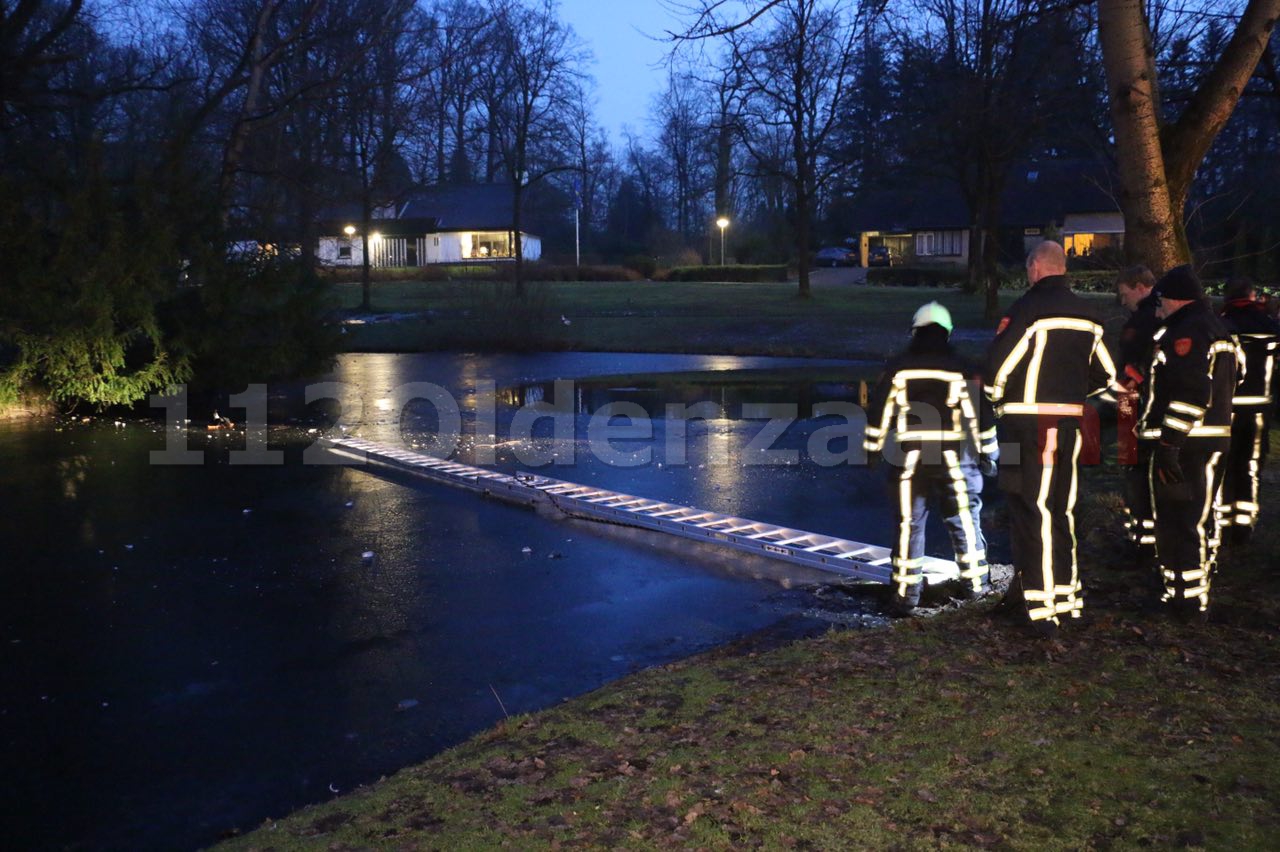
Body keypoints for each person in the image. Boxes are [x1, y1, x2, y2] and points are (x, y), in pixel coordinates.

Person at [986, 240, 1119, 637]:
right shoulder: (1090, 315)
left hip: (1028, 423)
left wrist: (998, 403)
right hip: (1071, 423)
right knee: (1062, 508)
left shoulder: (1027, 310)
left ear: (1037, 267)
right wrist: (1072, 394)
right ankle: (1067, 597)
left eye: (1029, 269)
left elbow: (997, 369)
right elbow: (1108, 376)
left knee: (1033, 508)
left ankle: (1040, 607)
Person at [864, 301, 996, 614]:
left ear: (915, 331)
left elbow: (879, 413)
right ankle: (977, 588)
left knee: (909, 524)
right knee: (964, 520)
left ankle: (906, 596)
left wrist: (871, 452)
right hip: (954, 459)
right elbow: (980, 416)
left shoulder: (898, 367)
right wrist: (989, 456)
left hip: (910, 460)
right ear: (947, 333)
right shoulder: (961, 367)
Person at [1138, 265, 1239, 618]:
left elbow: (1193, 392)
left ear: (1175, 299)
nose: (1158, 308)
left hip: (1187, 446)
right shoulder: (1219, 329)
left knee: (1178, 520)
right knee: (1200, 518)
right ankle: (1191, 592)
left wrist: (1169, 443)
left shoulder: (1187, 333)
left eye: (1161, 301)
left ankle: (1183, 599)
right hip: (1212, 440)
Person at [1218, 278, 1280, 544]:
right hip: (1258, 409)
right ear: (1252, 297)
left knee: (1224, 466)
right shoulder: (1270, 326)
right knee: (1251, 464)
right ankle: (1244, 525)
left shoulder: (1221, 325)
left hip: (1225, 409)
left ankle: (1221, 521)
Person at [1114, 266, 1161, 555]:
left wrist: (1128, 386)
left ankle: (1143, 542)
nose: (1123, 301)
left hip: (1137, 404)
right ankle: (1143, 536)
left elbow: (1140, 366)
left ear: (1140, 286)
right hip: (1133, 402)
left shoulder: (1148, 320)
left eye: (1125, 294)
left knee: (1137, 470)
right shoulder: (1149, 316)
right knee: (1135, 469)